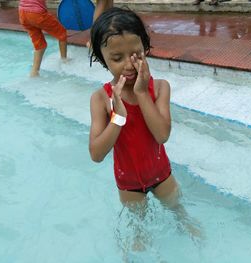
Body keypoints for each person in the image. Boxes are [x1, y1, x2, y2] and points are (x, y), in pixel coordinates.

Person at [88, 7, 201, 239]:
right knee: (138, 233)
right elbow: (96, 154)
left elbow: (161, 135)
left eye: (136, 54)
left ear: (145, 50)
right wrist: (118, 117)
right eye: (117, 58)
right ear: (102, 59)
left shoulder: (159, 87)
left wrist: (141, 93)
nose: (129, 65)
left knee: (180, 213)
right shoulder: (101, 99)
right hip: (129, 184)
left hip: (162, 174)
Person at [18, 0, 68, 77]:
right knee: (62, 33)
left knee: (39, 45)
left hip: (22, 13)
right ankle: (64, 60)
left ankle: (34, 72)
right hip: (36, 14)